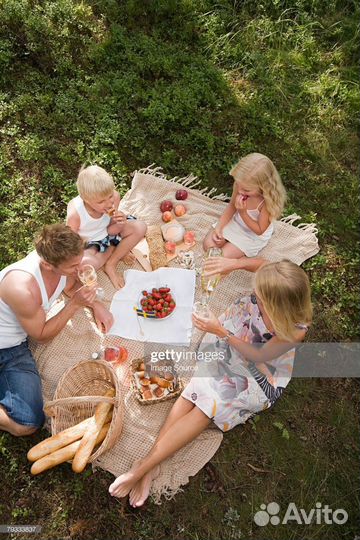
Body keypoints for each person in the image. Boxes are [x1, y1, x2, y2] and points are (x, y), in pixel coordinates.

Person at [108, 261, 312, 507]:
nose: (255, 293)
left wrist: (220, 332)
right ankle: (152, 466)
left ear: (277, 304)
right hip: (235, 338)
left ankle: (143, 467)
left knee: (208, 406)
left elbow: (258, 357)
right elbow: (262, 264)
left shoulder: (295, 330)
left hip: (256, 372)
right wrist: (231, 263)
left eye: (260, 296)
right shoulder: (276, 277)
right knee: (192, 392)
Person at [0, 224, 113, 437]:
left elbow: (68, 285)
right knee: (23, 426)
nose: (80, 269)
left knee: (31, 421)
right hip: (7, 348)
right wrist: (74, 305)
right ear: (47, 264)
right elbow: (41, 336)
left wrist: (96, 306)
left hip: (14, 344)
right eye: (73, 266)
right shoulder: (21, 288)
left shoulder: (61, 261)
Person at [202, 153, 286, 277]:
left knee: (221, 258)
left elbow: (259, 230)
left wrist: (243, 212)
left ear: (263, 187)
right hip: (237, 222)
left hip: (252, 235)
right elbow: (231, 207)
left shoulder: (266, 204)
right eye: (238, 185)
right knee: (208, 245)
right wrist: (220, 228)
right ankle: (229, 248)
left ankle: (243, 262)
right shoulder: (241, 185)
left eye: (246, 190)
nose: (240, 191)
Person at [66, 165, 147, 289]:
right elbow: (71, 243)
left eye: (109, 196)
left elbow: (111, 224)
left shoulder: (114, 197)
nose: (109, 203)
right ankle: (117, 249)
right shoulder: (76, 213)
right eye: (101, 202)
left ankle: (111, 263)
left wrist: (119, 223)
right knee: (85, 266)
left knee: (140, 227)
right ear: (86, 199)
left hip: (109, 230)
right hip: (89, 241)